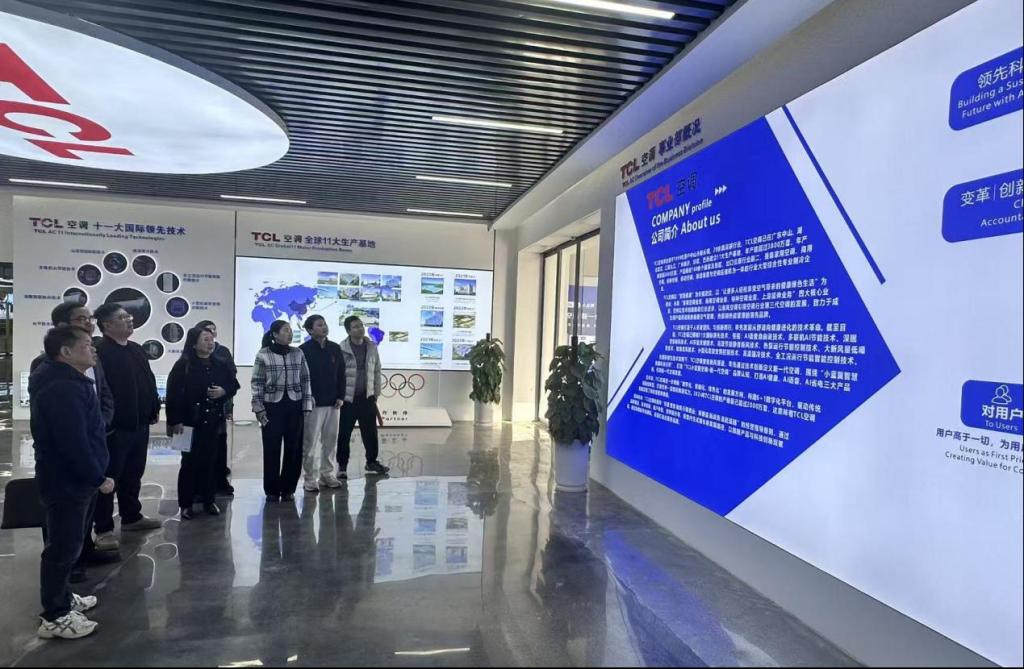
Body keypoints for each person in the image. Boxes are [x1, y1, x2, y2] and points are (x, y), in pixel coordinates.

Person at [29, 326, 115, 639]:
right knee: (63, 548)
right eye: (87, 344)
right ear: (66, 352)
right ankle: (54, 616)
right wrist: (97, 477)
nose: (93, 350)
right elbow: (73, 443)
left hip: (74, 480)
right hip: (67, 481)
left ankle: (63, 597)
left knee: (71, 542)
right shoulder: (62, 388)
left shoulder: (67, 380)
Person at [92, 303, 163, 542]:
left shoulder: (135, 349)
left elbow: (148, 380)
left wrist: (154, 407)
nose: (129, 319)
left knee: (133, 473)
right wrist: (107, 422)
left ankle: (132, 517)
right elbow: (101, 390)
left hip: (140, 424)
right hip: (116, 428)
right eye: (122, 317)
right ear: (107, 324)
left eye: (128, 315)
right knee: (110, 477)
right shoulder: (101, 351)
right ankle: (103, 528)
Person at [166, 327, 240, 520]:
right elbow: (173, 395)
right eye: (205, 339)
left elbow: (233, 384)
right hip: (187, 423)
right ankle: (186, 504)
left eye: (211, 339)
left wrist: (223, 391)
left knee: (210, 461)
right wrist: (175, 420)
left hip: (212, 422)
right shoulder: (183, 365)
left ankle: (209, 500)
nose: (210, 342)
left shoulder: (219, 364)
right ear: (194, 343)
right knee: (188, 463)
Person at [252, 320, 313, 502]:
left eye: (291, 331)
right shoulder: (263, 354)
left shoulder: (298, 353)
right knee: (271, 448)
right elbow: (257, 382)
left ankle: (288, 489)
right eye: (285, 330)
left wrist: (307, 405)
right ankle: (271, 490)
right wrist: (258, 408)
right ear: (275, 334)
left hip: (295, 405)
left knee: (294, 449)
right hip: (272, 406)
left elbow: (306, 379)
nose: (289, 334)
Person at [337, 316, 390, 477]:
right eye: (355, 327)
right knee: (344, 434)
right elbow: (337, 374)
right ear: (348, 331)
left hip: (367, 398)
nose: (360, 329)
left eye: (361, 325)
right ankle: (342, 466)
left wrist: (375, 393)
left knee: (370, 433)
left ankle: (371, 462)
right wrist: (339, 395)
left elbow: (377, 370)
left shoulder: (372, 347)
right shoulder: (341, 348)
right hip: (348, 399)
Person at [299, 315, 343, 493]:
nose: (324, 327)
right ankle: (310, 478)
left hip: (333, 404)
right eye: (319, 325)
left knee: (330, 441)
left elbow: (341, 373)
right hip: (313, 404)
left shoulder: (335, 348)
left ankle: (327, 474)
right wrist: (307, 397)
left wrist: (341, 395)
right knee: (310, 443)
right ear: (310, 330)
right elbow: (302, 377)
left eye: (324, 324)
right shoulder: (303, 350)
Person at [195, 320, 237, 496]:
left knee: (220, 447)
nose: (211, 337)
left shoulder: (222, 353)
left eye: (213, 331)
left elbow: (232, 379)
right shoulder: (187, 361)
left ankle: (220, 482)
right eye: (206, 335)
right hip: (195, 415)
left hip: (217, 410)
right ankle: (196, 491)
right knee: (195, 453)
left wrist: (224, 392)